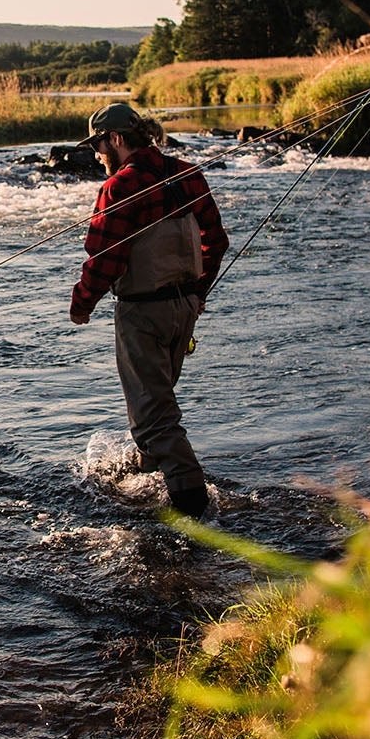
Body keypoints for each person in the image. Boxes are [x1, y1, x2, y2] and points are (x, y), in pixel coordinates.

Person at [69, 103, 228, 518]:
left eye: (100, 145)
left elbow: (105, 257)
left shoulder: (121, 185)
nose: (98, 154)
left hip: (142, 312)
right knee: (156, 401)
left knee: (153, 416)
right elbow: (217, 240)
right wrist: (197, 292)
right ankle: (145, 479)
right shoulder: (187, 173)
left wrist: (82, 304)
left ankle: (193, 505)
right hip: (183, 309)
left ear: (117, 139)